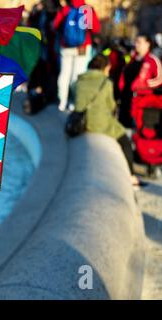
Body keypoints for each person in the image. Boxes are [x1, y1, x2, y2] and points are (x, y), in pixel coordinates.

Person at [75, 54, 141, 187]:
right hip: (99, 123)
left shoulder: (79, 80)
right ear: (105, 67)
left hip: (80, 121)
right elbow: (111, 105)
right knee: (125, 141)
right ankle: (131, 176)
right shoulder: (106, 83)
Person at [53, 0, 101, 111]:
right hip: (82, 47)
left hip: (66, 46)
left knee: (64, 74)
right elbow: (95, 28)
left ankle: (62, 101)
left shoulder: (65, 9)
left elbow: (55, 26)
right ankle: (74, 102)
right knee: (78, 75)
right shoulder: (87, 9)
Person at [119, 34, 162, 128]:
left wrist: (144, 85)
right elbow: (123, 76)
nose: (136, 44)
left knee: (140, 130)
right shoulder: (131, 59)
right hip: (126, 100)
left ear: (147, 44)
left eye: (139, 42)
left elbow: (159, 79)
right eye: (135, 42)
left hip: (143, 102)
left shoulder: (152, 60)